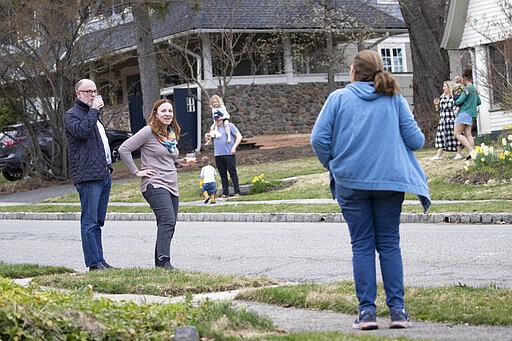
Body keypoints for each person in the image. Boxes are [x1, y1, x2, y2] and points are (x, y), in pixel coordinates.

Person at [310, 50, 431, 331]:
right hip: (390, 182)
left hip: (351, 182)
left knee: (361, 245)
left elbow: (318, 139)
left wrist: (333, 163)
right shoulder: (393, 99)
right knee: (389, 244)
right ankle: (398, 312)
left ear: (353, 72)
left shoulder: (338, 98)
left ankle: (366, 314)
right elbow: (416, 141)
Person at [118, 99, 181, 270]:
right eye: (163, 111)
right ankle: (164, 261)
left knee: (169, 223)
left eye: (170, 111)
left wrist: (180, 163)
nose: (167, 114)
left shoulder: (170, 135)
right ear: (155, 114)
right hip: (154, 183)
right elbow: (124, 149)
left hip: (171, 184)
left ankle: (160, 264)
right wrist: (136, 171)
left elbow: (166, 159)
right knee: (167, 220)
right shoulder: (148, 131)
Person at [65, 79, 116, 272]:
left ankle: (100, 260)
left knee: (98, 221)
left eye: (95, 91)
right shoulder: (72, 115)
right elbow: (82, 132)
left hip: (103, 173)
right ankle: (94, 264)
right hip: (87, 176)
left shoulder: (93, 115)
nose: (93, 95)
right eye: (89, 91)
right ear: (78, 94)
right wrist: (94, 110)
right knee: (89, 220)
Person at [207, 110, 243, 198]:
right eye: (215, 120)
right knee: (223, 174)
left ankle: (237, 191)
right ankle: (225, 193)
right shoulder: (214, 129)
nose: (217, 122)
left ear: (222, 119)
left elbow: (239, 136)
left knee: (232, 172)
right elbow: (210, 140)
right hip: (218, 154)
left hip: (229, 153)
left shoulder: (229, 126)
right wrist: (208, 137)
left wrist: (234, 147)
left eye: (218, 120)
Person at [431, 80, 463, 160]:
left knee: (455, 135)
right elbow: (438, 109)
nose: (443, 88)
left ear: (449, 87)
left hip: (452, 119)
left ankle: (459, 153)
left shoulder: (454, 97)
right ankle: (439, 155)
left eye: (445, 86)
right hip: (443, 120)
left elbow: (457, 107)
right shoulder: (442, 97)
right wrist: (437, 105)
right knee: (441, 136)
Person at [454, 69, 481, 159]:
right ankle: (472, 153)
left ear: (465, 78)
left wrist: (454, 101)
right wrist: (471, 103)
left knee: (457, 134)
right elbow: (479, 101)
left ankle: (472, 151)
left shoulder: (466, 89)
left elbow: (459, 101)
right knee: (468, 134)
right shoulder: (474, 89)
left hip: (463, 113)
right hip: (471, 114)